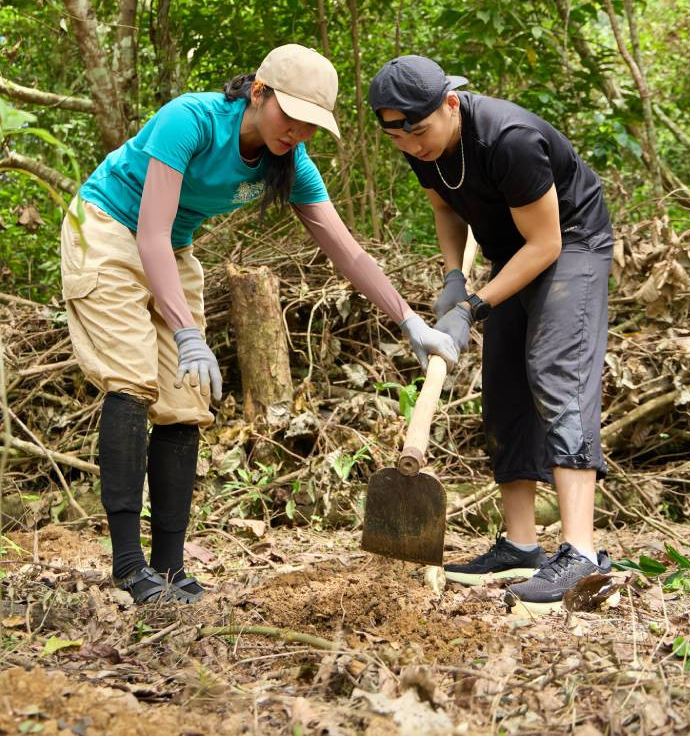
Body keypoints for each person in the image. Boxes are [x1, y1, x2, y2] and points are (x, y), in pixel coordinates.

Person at [61, 44, 458, 604]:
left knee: (185, 400)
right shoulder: (189, 121)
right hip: (106, 230)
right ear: (258, 93)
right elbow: (147, 231)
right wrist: (188, 332)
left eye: (309, 125)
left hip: (170, 248)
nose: (295, 132)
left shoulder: (291, 164)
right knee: (131, 382)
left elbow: (347, 251)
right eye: (288, 116)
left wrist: (410, 320)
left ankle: (169, 570)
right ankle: (129, 567)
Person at [369, 54, 614, 613]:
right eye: (397, 136)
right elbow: (447, 210)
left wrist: (473, 307)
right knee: (504, 387)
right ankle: (521, 545)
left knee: (557, 372)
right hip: (510, 252)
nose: (411, 146)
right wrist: (455, 277)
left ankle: (581, 552)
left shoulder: (511, 139)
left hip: (571, 243)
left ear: (450, 103)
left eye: (419, 131)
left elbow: (547, 244)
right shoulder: (420, 146)